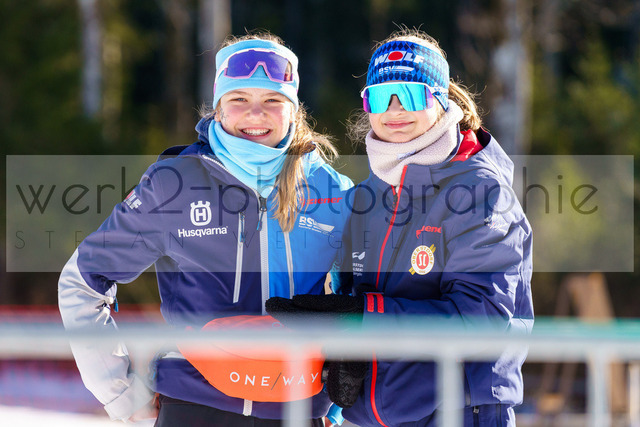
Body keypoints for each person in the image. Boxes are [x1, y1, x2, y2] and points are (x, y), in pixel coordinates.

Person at [58, 32, 353, 426]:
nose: (255, 114)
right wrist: (122, 394)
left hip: (299, 408)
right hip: (195, 406)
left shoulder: (334, 191)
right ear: (218, 108)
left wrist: (338, 403)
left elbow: (357, 303)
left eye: (272, 100)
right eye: (239, 99)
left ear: (294, 110)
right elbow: (82, 281)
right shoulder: (174, 183)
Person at [266, 28, 534, 426]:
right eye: (379, 97)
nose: (394, 110)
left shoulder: (480, 192)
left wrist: (362, 319)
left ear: (440, 100)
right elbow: (353, 294)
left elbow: (481, 319)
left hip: (459, 412)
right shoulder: (368, 194)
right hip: (375, 417)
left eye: (410, 94)